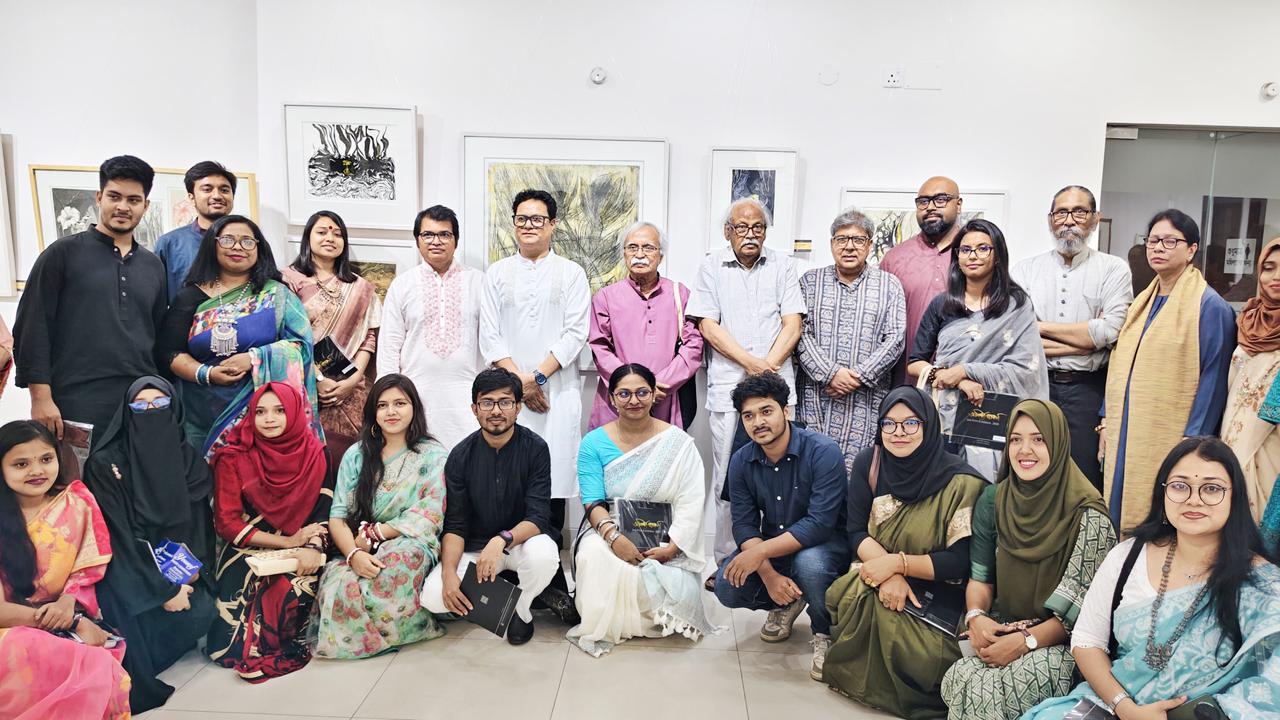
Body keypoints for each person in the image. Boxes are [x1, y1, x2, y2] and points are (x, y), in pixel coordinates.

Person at [1023, 438, 1280, 720]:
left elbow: (1271, 683)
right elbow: (1087, 642)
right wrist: (1126, 708)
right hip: (1113, 705)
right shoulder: (1127, 556)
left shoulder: (1264, 584)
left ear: (1235, 497)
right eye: (1180, 486)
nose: (1194, 499)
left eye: (1211, 488)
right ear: (1163, 492)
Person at [939, 399, 1116, 720]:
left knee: (1001, 688)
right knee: (960, 676)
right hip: (1005, 627)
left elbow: (1080, 617)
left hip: (1064, 645)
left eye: (1038, 439)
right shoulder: (994, 500)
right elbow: (980, 578)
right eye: (1016, 439)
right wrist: (977, 617)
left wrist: (1026, 642)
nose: (1025, 450)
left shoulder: (1089, 515)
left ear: (1058, 444)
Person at [822, 387, 987, 718]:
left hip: (937, 588)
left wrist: (898, 565)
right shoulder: (870, 463)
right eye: (889, 423)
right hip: (879, 573)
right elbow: (856, 532)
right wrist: (889, 575)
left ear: (929, 426)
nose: (898, 432)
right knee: (846, 596)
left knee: (924, 658)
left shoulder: (962, 482)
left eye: (911, 423)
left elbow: (959, 562)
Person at [479, 188, 590, 614]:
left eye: (537, 218)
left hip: (556, 395)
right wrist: (519, 385)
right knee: (507, 481)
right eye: (522, 218)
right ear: (514, 223)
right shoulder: (497, 273)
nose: (529, 225)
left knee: (555, 482)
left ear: (552, 224)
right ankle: (510, 575)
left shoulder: (571, 273)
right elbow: (490, 335)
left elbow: (575, 333)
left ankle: (553, 580)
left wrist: (537, 377)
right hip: (508, 398)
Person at [82, 376, 216, 712]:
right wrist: (163, 591)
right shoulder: (105, 465)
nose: (151, 411)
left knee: (203, 611)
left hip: (175, 569)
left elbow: (199, 530)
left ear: (175, 410)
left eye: (161, 404)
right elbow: (117, 539)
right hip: (128, 574)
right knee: (137, 630)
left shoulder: (190, 463)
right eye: (140, 406)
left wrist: (190, 574)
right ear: (127, 413)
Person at [1101, 210, 1237, 531]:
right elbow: (1121, 364)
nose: (1158, 247)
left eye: (1170, 241)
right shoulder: (1142, 302)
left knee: (1159, 509)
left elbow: (1213, 377)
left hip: (1169, 433)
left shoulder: (1209, 305)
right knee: (1118, 503)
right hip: (1127, 428)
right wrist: (1106, 419)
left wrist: (1194, 438)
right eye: (1153, 241)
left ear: (1191, 250)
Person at [686, 198, 805, 566]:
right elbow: (708, 326)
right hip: (729, 390)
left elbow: (793, 323)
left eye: (758, 228)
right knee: (729, 477)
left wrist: (769, 366)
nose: (750, 234)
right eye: (742, 227)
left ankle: (778, 558)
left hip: (778, 387)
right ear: (728, 232)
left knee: (784, 477)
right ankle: (726, 559)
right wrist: (753, 364)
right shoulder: (711, 266)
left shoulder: (784, 265)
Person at [14, 155, 167, 438]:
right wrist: (40, 398)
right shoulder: (62, 254)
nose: (123, 207)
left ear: (145, 206)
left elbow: (158, 335)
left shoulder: (153, 265)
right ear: (99, 197)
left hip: (140, 399)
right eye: (114, 196)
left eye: (133, 200)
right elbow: (33, 328)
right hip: (75, 400)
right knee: (79, 470)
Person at [568, 364, 715, 656]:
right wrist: (614, 539)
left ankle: (638, 617)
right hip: (608, 525)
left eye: (642, 393)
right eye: (624, 394)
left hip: (666, 535)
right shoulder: (593, 443)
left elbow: (690, 501)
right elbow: (593, 502)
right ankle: (612, 622)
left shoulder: (677, 443)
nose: (633, 400)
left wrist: (673, 547)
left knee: (662, 578)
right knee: (592, 555)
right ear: (611, 398)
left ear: (654, 394)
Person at [713, 372, 849, 681]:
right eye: (748, 416)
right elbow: (744, 524)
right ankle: (787, 600)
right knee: (727, 584)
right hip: (777, 544)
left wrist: (759, 553)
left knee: (810, 564)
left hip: (826, 546)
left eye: (766, 411)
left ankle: (824, 631)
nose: (758, 422)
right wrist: (769, 574)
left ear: (785, 411)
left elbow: (819, 523)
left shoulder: (822, 451)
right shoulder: (741, 460)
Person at [158, 214, 321, 457]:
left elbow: (301, 346)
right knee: (206, 477)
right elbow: (169, 352)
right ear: (212, 245)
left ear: (258, 248)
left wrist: (254, 359)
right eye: (227, 240)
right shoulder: (189, 296)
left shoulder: (277, 295)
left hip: (264, 414)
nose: (237, 247)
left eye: (247, 241)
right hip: (201, 414)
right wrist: (207, 374)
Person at [421, 368, 562, 645]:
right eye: (487, 403)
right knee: (434, 597)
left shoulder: (535, 448)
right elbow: (455, 524)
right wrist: (448, 574)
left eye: (505, 402)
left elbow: (538, 516)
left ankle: (522, 609)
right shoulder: (460, 456)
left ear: (518, 407)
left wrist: (501, 539)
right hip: (476, 547)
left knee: (544, 557)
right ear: (474, 409)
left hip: (521, 543)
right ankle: (507, 601)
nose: (496, 411)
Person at [310, 374, 448, 658]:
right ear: (373, 412)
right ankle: (378, 633)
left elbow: (431, 511)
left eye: (400, 403)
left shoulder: (433, 455)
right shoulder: (356, 454)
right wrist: (353, 555)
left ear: (414, 408)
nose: (391, 412)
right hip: (357, 544)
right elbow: (337, 517)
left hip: (410, 540)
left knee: (395, 566)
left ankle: (381, 631)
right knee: (338, 581)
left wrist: (377, 533)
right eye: (382, 405)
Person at [0, 420, 129, 720]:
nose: (37, 471)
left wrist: (69, 604)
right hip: (12, 625)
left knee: (96, 666)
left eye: (46, 459)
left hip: (67, 612)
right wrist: (69, 622)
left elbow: (87, 568)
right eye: (21, 464)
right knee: (25, 649)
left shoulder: (77, 501)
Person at [207, 382, 333, 681]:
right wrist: (286, 541)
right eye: (260, 412)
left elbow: (324, 511)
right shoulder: (232, 457)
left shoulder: (317, 453)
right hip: (246, 548)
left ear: (294, 412)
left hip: (303, 544)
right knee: (234, 628)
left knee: (291, 587)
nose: (269, 419)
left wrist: (312, 547)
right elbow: (227, 523)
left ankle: (282, 647)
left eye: (279, 410)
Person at [908, 218, 1050, 480]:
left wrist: (966, 370)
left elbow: (1026, 369)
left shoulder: (1016, 306)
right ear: (957, 257)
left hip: (992, 417)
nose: (972, 255)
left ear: (997, 255)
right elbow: (915, 362)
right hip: (944, 416)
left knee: (985, 491)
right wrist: (958, 379)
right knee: (944, 489)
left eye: (983, 248)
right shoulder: (942, 303)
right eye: (965, 249)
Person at [1012, 186, 1132, 490]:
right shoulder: (1025, 270)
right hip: (1035, 386)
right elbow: (1015, 335)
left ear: (1095, 218)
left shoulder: (1113, 269)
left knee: (1084, 478)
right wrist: (1086, 340)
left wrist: (1039, 327)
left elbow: (1111, 331)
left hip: (1088, 391)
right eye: (1061, 213)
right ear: (1050, 219)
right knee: (1031, 474)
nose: (1069, 220)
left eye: (1079, 212)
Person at [796, 207, 906, 473]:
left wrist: (856, 377)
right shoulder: (810, 281)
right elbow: (799, 333)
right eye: (842, 239)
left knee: (858, 475)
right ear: (832, 243)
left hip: (865, 401)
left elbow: (895, 338)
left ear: (869, 245)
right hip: (817, 397)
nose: (849, 246)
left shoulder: (889, 285)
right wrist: (831, 374)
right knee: (811, 471)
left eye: (858, 239)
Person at [378, 205, 484, 450]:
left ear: (456, 240)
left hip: (468, 398)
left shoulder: (479, 282)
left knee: (467, 464)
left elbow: (492, 343)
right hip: (415, 397)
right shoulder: (402, 285)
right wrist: (389, 400)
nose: (436, 241)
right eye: (428, 234)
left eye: (444, 234)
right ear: (417, 239)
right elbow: (389, 347)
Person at [283, 210, 381, 460]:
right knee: (308, 459)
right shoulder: (289, 280)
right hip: (304, 383)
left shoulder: (360, 287)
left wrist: (353, 380)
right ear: (308, 237)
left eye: (337, 234)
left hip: (351, 389)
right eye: (322, 232)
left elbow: (368, 338)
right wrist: (317, 378)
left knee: (351, 460)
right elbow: (286, 336)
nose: (330, 238)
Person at [587, 222, 703, 430]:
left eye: (648, 247)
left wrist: (655, 386)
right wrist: (632, 388)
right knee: (615, 450)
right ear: (624, 254)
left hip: (665, 396)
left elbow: (693, 346)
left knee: (664, 450)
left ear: (661, 255)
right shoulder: (605, 297)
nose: (639, 254)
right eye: (632, 247)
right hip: (619, 399)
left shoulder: (680, 294)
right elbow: (600, 348)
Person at [879, 175, 964, 384]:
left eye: (941, 199)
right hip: (905, 380)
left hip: (962, 378)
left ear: (959, 204)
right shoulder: (895, 258)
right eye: (923, 201)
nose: (931, 207)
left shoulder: (974, 256)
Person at [1222, 236, 1280, 523]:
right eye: (1269, 268)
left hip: (1273, 444)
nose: (1276, 276)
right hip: (1232, 435)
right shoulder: (1248, 320)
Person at [154, 161, 237, 303]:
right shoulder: (169, 243)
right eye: (207, 189)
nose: (217, 196)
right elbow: (157, 299)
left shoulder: (249, 242)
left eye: (224, 190)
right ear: (191, 198)